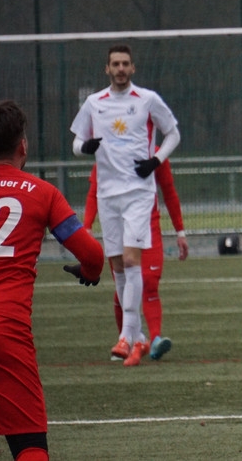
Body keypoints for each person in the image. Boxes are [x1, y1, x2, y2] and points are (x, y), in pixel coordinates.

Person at [0, 100, 105, 461]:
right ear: (23, 146)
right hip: (5, 331)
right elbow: (92, 255)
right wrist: (89, 273)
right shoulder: (42, 193)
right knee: (28, 443)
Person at [69, 44, 180, 367]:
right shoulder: (94, 103)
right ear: (107, 69)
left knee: (132, 261)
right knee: (117, 266)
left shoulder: (147, 100)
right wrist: (85, 147)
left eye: (125, 64)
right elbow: (76, 141)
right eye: (115, 64)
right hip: (107, 194)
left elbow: (173, 134)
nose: (120, 69)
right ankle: (136, 335)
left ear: (133, 68)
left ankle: (126, 336)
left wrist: (155, 160)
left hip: (138, 193)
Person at [83, 150, 189, 362]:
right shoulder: (109, 149)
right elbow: (95, 189)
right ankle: (129, 340)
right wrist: (87, 225)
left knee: (149, 281)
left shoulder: (156, 154)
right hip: (118, 225)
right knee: (122, 288)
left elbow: (169, 191)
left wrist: (180, 231)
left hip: (148, 226)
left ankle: (154, 339)